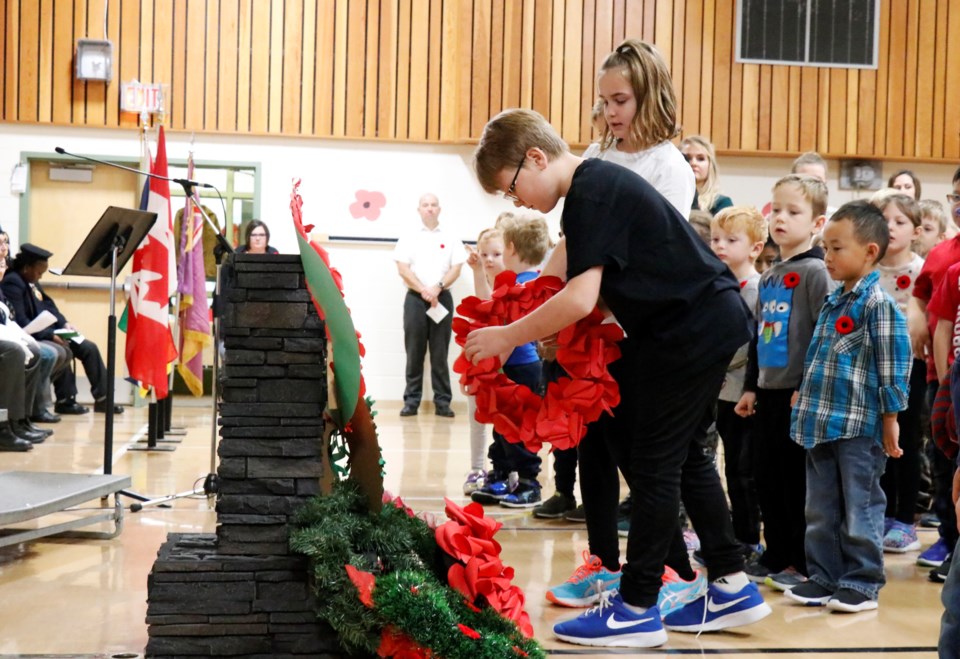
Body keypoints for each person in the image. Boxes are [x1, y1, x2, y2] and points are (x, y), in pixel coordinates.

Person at [468, 108, 770, 648]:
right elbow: (582, 286)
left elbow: (581, 297)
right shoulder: (592, 189)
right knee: (682, 458)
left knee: (652, 463)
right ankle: (730, 583)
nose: (515, 202)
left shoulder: (592, 190)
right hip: (694, 327)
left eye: (511, 189)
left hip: (691, 330)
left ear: (535, 158)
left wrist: (507, 335)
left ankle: (636, 607)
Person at [785, 200, 911, 612]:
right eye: (826, 248)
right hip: (819, 422)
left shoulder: (878, 305)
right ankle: (824, 575)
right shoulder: (833, 300)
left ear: (870, 251)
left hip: (860, 427)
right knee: (820, 508)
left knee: (860, 506)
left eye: (837, 248)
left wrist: (891, 418)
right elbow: (819, 353)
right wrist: (804, 391)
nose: (828, 256)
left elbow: (893, 365)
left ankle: (861, 581)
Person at [735, 175, 835, 591]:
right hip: (768, 392)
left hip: (799, 394)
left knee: (796, 481)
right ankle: (774, 552)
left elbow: (824, 333)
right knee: (766, 476)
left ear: (817, 223)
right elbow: (761, 335)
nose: (780, 218)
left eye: (793, 212)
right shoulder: (772, 273)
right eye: (776, 210)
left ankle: (798, 558)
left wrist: (808, 387)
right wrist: (750, 386)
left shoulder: (815, 272)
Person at [469, 215, 551, 508]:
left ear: (512, 250)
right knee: (503, 425)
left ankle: (530, 483)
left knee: (518, 426)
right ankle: (501, 473)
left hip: (521, 367)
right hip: (514, 365)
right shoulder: (522, 282)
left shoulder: (522, 286)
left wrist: (488, 369)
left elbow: (511, 333)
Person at [909, 165, 960, 582]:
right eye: (956, 197)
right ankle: (949, 538)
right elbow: (932, 313)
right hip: (943, 381)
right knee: (943, 461)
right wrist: (947, 382)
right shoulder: (945, 257)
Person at [1, 243, 121, 415]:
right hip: (35, 333)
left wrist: (65, 323)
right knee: (63, 349)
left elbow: (50, 307)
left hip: (52, 330)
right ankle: (65, 399)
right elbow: (21, 322)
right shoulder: (14, 282)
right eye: (39, 272)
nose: (40, 276)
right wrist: (50, 335)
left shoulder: (31, 280)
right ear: (27, 267)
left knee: (88, 347)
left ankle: (104, 398)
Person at [710, 206, 765, 557]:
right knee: (726, 466)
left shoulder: (757, 289)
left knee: (744, 469)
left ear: (756, 248)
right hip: (719, 389)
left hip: (743, 391)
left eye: (731, 240)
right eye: (715, 239)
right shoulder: (719, 283)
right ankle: (731, 532)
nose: (720, 246)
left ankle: (749, 538)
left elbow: (750, 343)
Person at [875, 194, 926, 554]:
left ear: (917, 231)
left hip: (910, 368)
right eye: (885, 220)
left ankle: (906, 519)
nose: (891, 227)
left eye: (900, 222)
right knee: (879, 443)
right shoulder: (869, 267)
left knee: (905, 443)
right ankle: (884, 512)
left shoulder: (920, 270)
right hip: (874, 369)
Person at [393, 193, 464, 417]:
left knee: (439, 353)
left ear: (439, 209)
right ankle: (411, 402)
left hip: (441, 298)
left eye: (434, 205)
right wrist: (424, 290)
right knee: (414, 352)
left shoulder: (451, 236)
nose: (430, 208)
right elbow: (403, 268)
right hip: (415, 299)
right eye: (425, 205)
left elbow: (456, 268)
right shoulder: (408, 236)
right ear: (419, 209)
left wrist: (437, 287)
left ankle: (443, 403)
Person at [461, 223, 508, 494]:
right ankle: (477, 467)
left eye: (496, 254)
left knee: (505, 422)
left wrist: (478, 271)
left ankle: (508, 470)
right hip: (481, 365)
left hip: (506, 364)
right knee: (477, 418)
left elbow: (491, 309)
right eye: (485, 254)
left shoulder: (513, 284)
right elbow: (480, 312)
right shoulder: (483, 282)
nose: (489, 259)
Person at [681, 135, 733, 216]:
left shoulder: (722, 203)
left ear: (710, 165)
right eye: (688, 158)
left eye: (700, 158)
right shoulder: (671, 198)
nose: (693, 163)